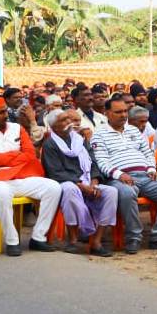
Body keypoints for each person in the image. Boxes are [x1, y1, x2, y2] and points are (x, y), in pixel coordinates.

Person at [90, 97, 157, 253]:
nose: (123, 115)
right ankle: (134, 237)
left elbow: (147, 152)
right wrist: (119, 175)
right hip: (119, 178)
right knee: (126, 193)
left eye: (125, 111)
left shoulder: (133, 130)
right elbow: (101, 161)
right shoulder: (99, 134)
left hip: (145, 175)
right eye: (118, 112)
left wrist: (152, 169)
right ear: (107, 113)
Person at [0, 98, 62, 257]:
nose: (6, 115)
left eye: (6, 110)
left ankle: (38, 237)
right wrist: (16, 155)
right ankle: (12, 241)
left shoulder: (17, 128)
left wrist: (6, 158)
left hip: (21, 176)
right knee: (2, 193)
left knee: (53, 188)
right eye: (1, 112)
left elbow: (30, 154)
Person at [42, 110, 116, 257]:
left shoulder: (80, 139)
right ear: (54, 126)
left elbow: (93, 163)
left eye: (69, 119)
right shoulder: (50, 144)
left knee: (112, 192)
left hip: (88, 181)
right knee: (70, 189)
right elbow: (55, 172)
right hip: (66, 182)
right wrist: (80, 185)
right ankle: (73, 240)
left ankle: (96, 241)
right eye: (64, 120)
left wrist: (94, 182)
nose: (69, 122)